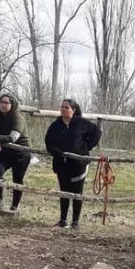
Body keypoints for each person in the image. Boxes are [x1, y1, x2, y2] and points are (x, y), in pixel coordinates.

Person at [44, 98, 102, 229]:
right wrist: (56, 151)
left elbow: (97, 133)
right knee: (64, 191)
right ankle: (63, 220)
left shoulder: (81, 123)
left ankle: (75, 222)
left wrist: (86, 147)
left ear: (73, 110)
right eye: (62, 107)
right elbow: (48, 142)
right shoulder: (56, 125)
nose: (63, 109)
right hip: (62, 163)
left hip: (78, 163)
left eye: (67, 107)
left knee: (77, 192)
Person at [0, 93, 31, 213]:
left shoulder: (17, 118)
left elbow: (13, 137)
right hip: (6, 151)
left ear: (12, 105)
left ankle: (15, 206)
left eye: (6, 103)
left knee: (17, 179)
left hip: (22, 153)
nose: (3, 105)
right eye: (1, 102)